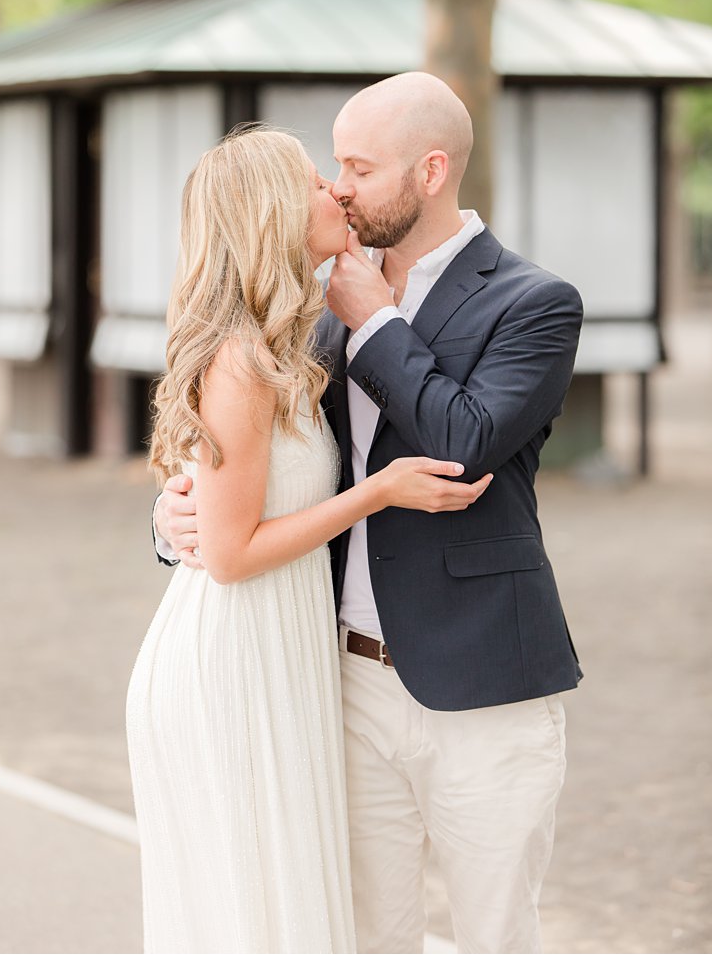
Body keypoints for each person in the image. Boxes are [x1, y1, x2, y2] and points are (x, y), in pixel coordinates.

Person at [155, 72, 585, 951]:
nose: (339, 185)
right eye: (332, 166)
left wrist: (380, 322)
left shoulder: (534, 303)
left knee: (494, 934)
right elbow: (258, 466)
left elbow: (462, 445)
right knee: (359, 935)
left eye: (357, 165)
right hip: (335, 683)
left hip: (484, 685)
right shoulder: (306, 304)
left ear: (430, 171)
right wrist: (175, 521)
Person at [130, 127, 493, 953]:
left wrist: (177, 510)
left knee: (283, 907)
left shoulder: (289, 345)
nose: (335, 189)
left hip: (281, 650)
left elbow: (231, 502)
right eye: (312, 181)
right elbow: (226, 552)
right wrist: (378, 492)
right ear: (270, 215)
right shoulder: (241, 360)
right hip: (233, 660)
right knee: (254, 916)